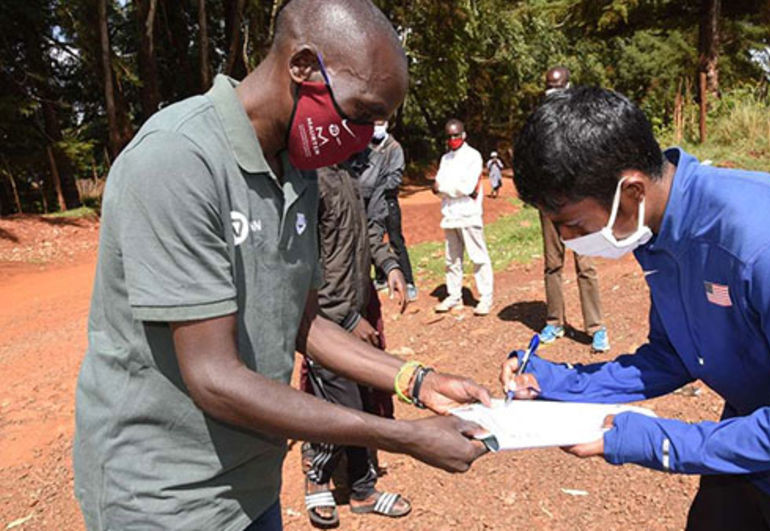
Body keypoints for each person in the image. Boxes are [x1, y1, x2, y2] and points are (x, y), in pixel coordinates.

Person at [73, 2, 490, 529]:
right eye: (361, 113)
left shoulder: (299, 167)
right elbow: (213, 376)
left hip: (252, 483)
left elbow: (304, 321)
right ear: (303, 67)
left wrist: (418, 381)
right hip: (163, 497)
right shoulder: (177, 160)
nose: (364, 135)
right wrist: (401, 435)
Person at [503, 86, 770, 530]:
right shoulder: (656, 231)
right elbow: (673, 355)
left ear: (631, 190)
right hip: (753, 429)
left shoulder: (767, 248)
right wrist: (555, 382)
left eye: (574, 225)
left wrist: (654, 441)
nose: (566, 240)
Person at [300, 164, 411, 527]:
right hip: (326, 324)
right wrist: (347, 319)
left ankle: (363, 490)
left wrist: (390, 265)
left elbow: (365, 234)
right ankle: (317, 476)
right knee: (341, 408)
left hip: (353, 313)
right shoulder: (310, 181)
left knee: (360, 403)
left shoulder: (347, 176)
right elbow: (304, 265)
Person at [539, 66, 609, 352]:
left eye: (558, 87)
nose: (553, 93)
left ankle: (596, 328)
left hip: (578, 203)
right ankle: (554, 321)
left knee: (585, 264)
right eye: (550, 87)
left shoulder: (582, 120)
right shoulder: (540, 124)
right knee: (552, 264)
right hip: (549, 201)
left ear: (569, 87)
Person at [432, 118, 494, 316]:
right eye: (449, 136)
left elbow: (466, 187)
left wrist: (444, 188)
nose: (453, 139)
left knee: (478, 257)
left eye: (456, 135)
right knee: (452, 259)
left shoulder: (473, 156)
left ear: (464, 135)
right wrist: (447, 189)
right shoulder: (445, 159)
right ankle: (454, 295)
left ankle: (485, 298)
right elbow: (437, 186)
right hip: (450, 215)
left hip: (469, 214)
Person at [362, 121, 418, 301]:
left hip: (388, 201)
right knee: (372, 239)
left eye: (380, 123)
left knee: (396, 241)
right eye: (374, 123)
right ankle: (380, 278)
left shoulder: (394, 148)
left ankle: (408, 282)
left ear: (386, 124)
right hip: (370, 204)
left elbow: (395, 178)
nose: (376, 127)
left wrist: (376, 185)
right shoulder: (366, 147)